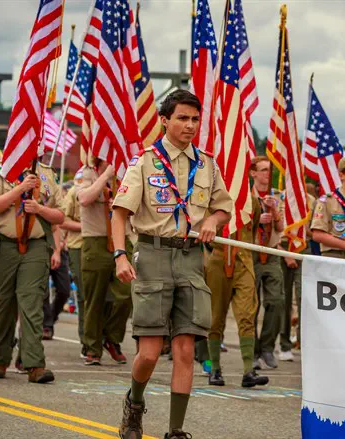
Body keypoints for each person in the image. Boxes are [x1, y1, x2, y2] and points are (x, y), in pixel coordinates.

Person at [112, 89, 232, 439]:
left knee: (185, 348)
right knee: (148, 353)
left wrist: (214, 221)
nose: (190, 125)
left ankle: (176, 430)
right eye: (182, 117)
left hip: (191, 259)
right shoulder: (145, 162)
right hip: (152, 256)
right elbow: (119, 214)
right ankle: (133, 406)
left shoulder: (207, 163)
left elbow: (224, 206)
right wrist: (120, 254)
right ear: (165, 120)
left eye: (195, 119)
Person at [0, 158, 64, 384]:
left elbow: (60, 216)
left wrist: (39, 209)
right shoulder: (0, 171)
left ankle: (35, 364)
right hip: (5, 246)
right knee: (5, 303)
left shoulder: (47, 173)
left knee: (32, 304)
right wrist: (20, 189)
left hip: (36, 246)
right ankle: (0, 359)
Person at [205, 192, 269, 388]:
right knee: (215, 317)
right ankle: (214, 368)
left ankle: (248, 370)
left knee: (246, 314)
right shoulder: (212, 196)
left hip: (244, 260)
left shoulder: (252, 200)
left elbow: (255, 225)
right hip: (218, 258)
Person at [77, 158, 131, 365]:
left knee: (126, 295)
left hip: (122, 238)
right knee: (94, 298)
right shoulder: (87, 172)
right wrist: (106, 175)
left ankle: (112, 338)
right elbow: (84, 198)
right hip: (95, 240)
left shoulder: (127, 169)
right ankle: (92, 347)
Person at [249, 156, 285, 370]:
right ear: (253, 173)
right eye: (262, 170)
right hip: (252, 252)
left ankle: (268, 348)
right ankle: (252, 351)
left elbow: (281, 228)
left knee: (277, 301)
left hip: (271, 252)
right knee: (250, 305)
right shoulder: (246, 196)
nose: (266, 174)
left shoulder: (277, 197)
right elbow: (240, 223)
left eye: (269, 171)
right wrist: (257, 219)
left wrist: (273, 211)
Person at [278, 190, 316, 360]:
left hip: (303, 247)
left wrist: (302, 230)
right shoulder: (280, 197)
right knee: (284, 300)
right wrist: (286, 254)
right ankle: (284, 344)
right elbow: (276, 229)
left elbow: (314, 230)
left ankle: (303, 342)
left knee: (304, 298)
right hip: (283, 247)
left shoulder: (311, 200)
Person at [60, 180, 84, 347]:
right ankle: (88, 342)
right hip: (78, 245)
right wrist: (87, 226)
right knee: (84, 295)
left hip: (109, 247)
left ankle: (108, 337)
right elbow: (62, 221)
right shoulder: (75, 190)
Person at [42, 225, 72, 340]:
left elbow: (64, 222)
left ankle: (49, 318)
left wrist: (62, 244)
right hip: (41, 248)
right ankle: (47, 325)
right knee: (43, 290)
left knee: (64, 290)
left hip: (61, 250)